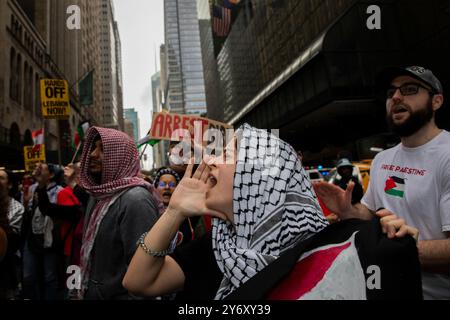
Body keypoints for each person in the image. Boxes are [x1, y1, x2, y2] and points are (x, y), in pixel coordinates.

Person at [123, 123, 329, 300]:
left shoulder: (318, 256)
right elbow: (138, 282)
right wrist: (174, 212)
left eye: (228, 155)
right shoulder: (218, 246)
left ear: (256, 178)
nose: (211, 161)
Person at [314, 66, 449, 299]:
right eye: (391, 93)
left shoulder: (446, 156)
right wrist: (348, 210)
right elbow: (371, 213)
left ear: (436, 101)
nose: (396, 97)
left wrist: (398, 250)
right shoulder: (382, 160)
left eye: (409, 89)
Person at [78, 127, 164, 300]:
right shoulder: (98, 197)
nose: (93, 154)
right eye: (93, 148)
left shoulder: (136, 200)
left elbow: (146, 273)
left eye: (102, 149)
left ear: (120, 157)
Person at [21, 163, 64, 300]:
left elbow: (54, 213)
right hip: (32, 238)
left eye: (42, 169)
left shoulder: (60, 191)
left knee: (49, 277)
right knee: (28, 276)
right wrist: (27, 203)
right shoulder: (32, 188)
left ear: (51, 175)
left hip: (49, 240)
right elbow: (27, 213)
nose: (37, 170)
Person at [0, 169, 24, 299]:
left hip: (7, 265)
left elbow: (10, 241)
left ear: (9, 185)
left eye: (1, 178)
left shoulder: (17, 208)